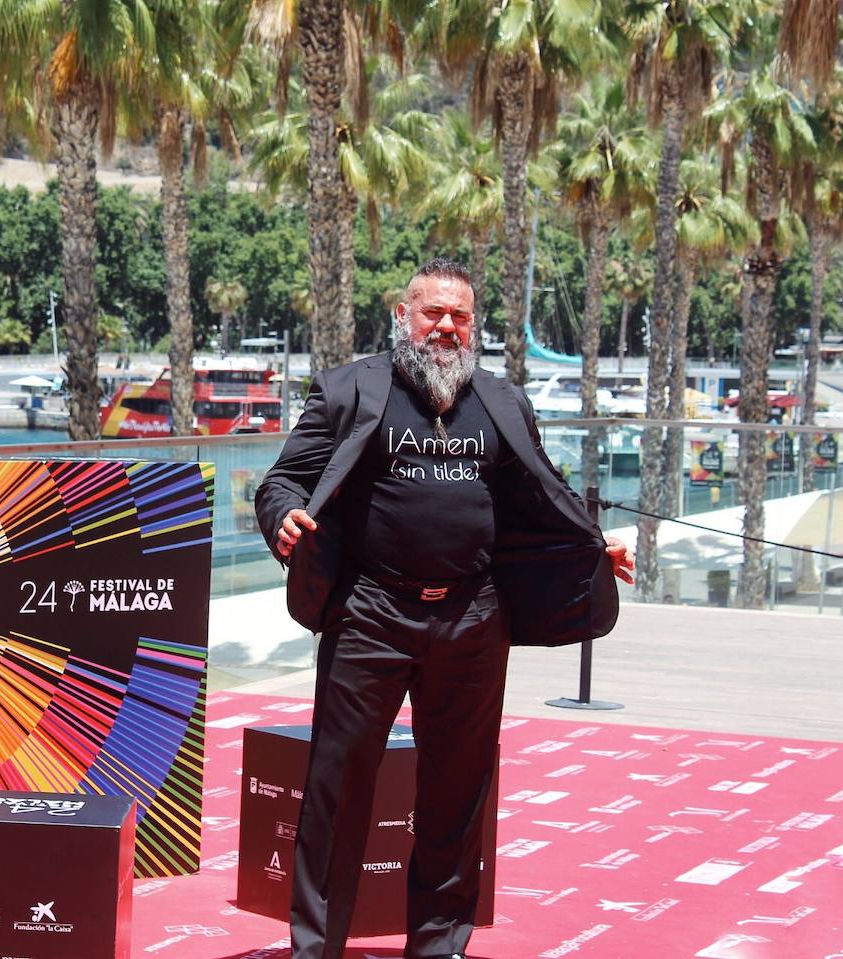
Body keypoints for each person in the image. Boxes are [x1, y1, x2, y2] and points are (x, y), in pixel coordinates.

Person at [255, 257, 633, 959]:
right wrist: (284, 517)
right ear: (404, 316)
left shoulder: (500, 401)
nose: (447, 327)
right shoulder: (349, 390)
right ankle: (316, 949)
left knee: (457, 797)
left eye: (460, 315)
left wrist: (590, 549)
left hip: (472, 617)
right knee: (336, 792)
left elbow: (542, 496)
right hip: (370, 614)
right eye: (433, 312)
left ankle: (438, 945)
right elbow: (286, 478)